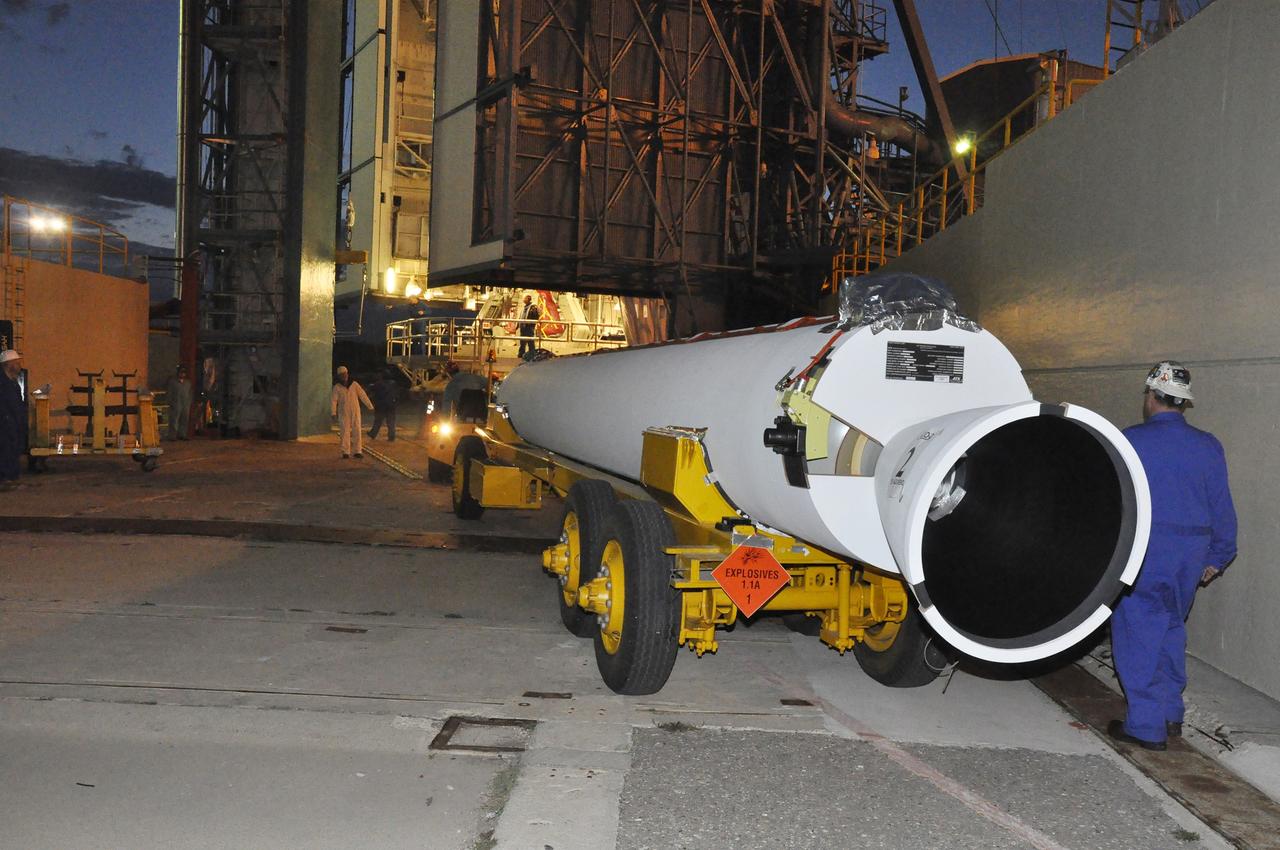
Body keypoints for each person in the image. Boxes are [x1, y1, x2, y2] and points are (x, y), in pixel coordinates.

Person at [1108, 361, 1237, 751]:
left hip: (1147, 551)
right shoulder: (1208, 445)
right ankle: (1170, 713)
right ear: (1184, 403)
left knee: (1137, 633)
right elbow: (1222, 507)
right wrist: (1218, 555)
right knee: (1169, 629)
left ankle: (1146, 726)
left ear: (1151, 397)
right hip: (1190, 555)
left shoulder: (1130, 441)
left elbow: (1112, 503)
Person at [330, 365, 373, 459]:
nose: (344, 376)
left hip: (355, 411)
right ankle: (346, 451)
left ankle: (358, 450)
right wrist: (333, 413)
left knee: (357, 430)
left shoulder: (354, 384)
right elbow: (334, 400)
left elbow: (362, 395)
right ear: (339, 376)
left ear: (347, 374)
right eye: (342, 375)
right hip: (343, 412)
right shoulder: (337, 387)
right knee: (344, 431)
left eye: (345, 374)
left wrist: (370, 406)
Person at [0, 349, 26, 489]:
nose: (19, 366)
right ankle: (5, 477)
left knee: (13, 450)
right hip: (4, 423)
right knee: (5, 450)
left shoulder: (13, 381)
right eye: (16, 363)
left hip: (13, 423)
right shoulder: (3, 383)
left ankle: (11, 476)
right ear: (7, 364)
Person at [367, 369, 400, 442]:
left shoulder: (379, 384)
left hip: (381, 405)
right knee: (391, 422)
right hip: (391, 405)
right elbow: (397, 393)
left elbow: (371, 389)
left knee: (378, 421)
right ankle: (391, 436)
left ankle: (373, 434)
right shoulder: (393, 383)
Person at [166, 365, 193, 441]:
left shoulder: (188, 383)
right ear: (178, 373)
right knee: (174, 420)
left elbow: (190, 393)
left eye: (184, 373)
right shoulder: (173, 382)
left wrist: (189, 402)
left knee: (184, 420)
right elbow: (169, 393)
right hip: (176, 403)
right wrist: (170, 402)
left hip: (185, 404)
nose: (182, 374)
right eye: (181, 372)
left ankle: (182, 434)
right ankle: (172, 436)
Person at [517, 294, 540, 359]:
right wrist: (518, 324)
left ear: (528, 299)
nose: (523, 300)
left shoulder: (533, 307)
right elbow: (521, 316)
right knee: (522, 342)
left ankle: (532, 354)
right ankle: (521, 354)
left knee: (530, 341)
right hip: (523, 327)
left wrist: (532, 324)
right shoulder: (525, 307)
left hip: (529, 327)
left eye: (524, 298)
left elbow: (535, 316)